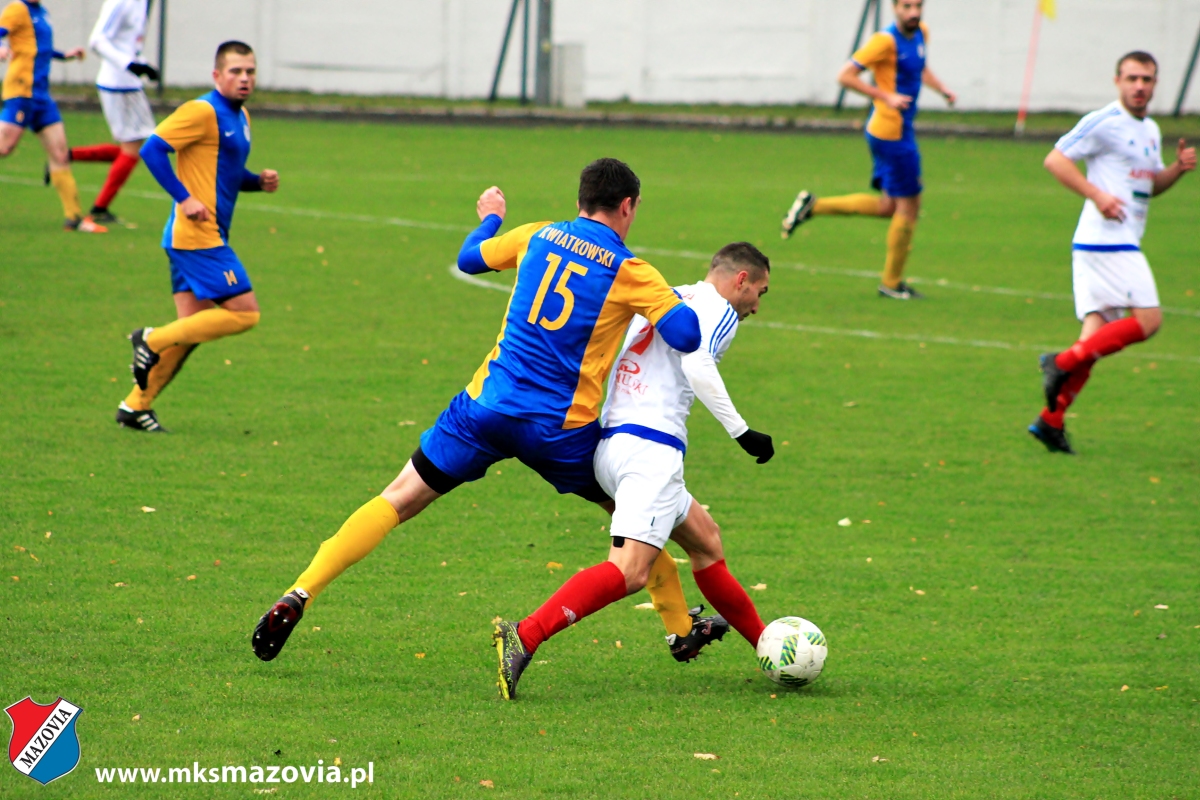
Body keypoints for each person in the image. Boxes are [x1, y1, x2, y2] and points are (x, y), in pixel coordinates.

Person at [251, 158, 703, 663]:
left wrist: (491, 218)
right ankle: (680, 629)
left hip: (485, 408)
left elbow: (470, 259)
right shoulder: (630, 270)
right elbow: (686, 334)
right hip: (559, 431)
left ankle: (301, 591)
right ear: (628, 206)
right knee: (633, 521)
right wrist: (671, 300)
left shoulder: (537, 235)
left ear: (580, 200)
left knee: (397, 499)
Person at [493, 242, 776, 700]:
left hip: (611, 446)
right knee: (628, 573)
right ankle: (524, 635)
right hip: (650, 453)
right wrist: (742, 432)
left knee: (706, 542)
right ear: (740, 280)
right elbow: (698, 363)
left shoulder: (666, 296)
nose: (756, 307)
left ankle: (766, 647)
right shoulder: (719, 310)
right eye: (759, 293)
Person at [1031, 52, 1195, 454]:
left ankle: (1051, 421)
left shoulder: (1150, 129)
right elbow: (1055, 160)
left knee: (1096, 338)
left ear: (1155, 84)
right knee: (1149, 320)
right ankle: (1060, 362)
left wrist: (1176, 169)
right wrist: (1097, 194)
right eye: (1132, 78)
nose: (1139, 86)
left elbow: (1148, 188)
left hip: (1114, 240)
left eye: (1147, 79)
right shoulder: (1104, 121)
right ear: (1117, 81)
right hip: (1106, 239)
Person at [118, 41, 278, 433]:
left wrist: (257, 182)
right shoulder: (201, 110)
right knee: (245, 313)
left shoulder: (240, 116)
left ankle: (135, 406)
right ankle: (150, 339)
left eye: (250, 71)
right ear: (216, 75)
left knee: (190, 330)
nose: (244, 78)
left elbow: (226, 173)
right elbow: (153, 150)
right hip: (197, 236)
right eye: (236, 71)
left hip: (195, 236)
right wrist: (185, 198)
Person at [779, 0, 954, 300]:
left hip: (896, 130)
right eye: (907, 6)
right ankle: (891, 284)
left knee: (889, 206)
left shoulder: (921, 33)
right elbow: (845, 75)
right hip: (891, 133)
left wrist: (942, 89)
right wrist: (885, 96)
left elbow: (919, 69)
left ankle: (813, 206)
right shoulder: (884, 41)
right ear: (895, 8)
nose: (914, 12)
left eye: (918, 6)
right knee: (909, 206)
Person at [0, 0, 105, 232]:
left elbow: (39, 47)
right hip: (21, 91)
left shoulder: (41, 11)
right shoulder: (17, 9)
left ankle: (74, 218)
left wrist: (65, 55)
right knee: (4, 148)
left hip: (42, 97)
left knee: (60, 154)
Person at [68, 0, 161, 224]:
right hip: (118, 84)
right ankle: (99, 209)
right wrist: (129, 64)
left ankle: (66, 156)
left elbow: (128, 43)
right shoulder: (120, 1)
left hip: (128, 84)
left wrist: (143, 64)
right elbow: (97, 40)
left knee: (133, 147)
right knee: (135, 148)